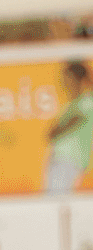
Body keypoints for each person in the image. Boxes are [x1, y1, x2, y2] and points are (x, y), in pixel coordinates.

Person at [47, 62, 93, 195]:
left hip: (70, 161)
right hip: (62, 160)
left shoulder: (87, 101)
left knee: (56, 200)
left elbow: (70, 123)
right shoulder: (72, 104)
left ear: (77, 80)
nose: (65, 84)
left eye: (68, 79)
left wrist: (57, 131)